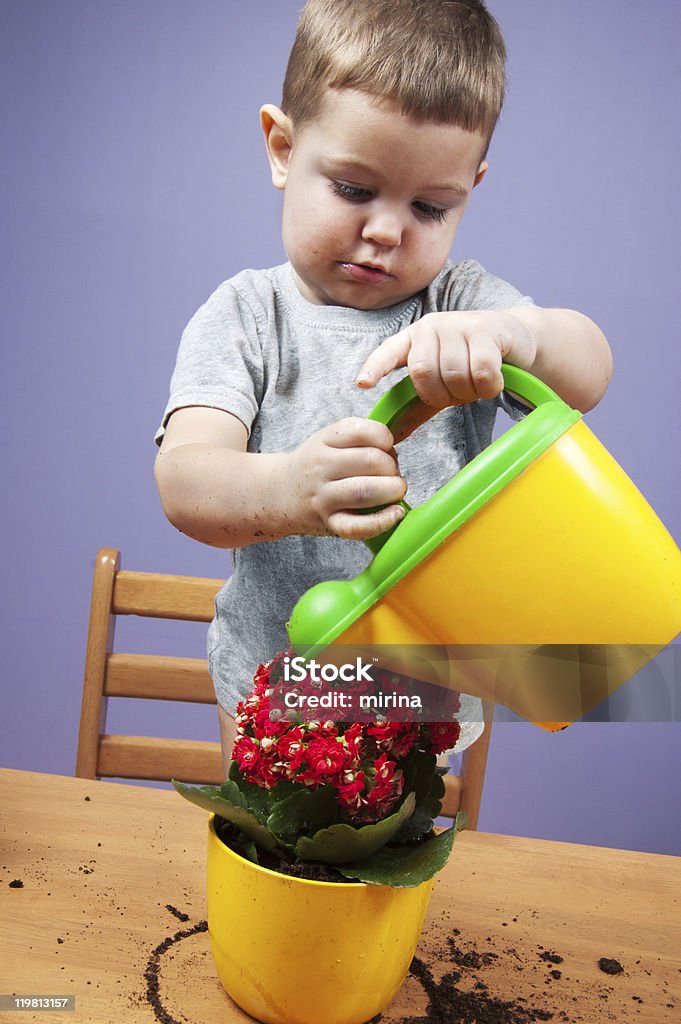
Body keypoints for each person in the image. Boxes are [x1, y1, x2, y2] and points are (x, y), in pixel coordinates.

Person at [154, 0, 612, 768]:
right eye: (354, 189)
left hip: (419, 688)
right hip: (275, 679)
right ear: (281, 147)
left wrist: (514, 335)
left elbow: (588, 368)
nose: (388, 231)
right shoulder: (245, 315)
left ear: (471, 187)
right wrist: (289, 491)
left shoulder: (462, 304)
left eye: (430, 206)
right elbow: (185, 482)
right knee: (277, 845)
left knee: (389, 866)